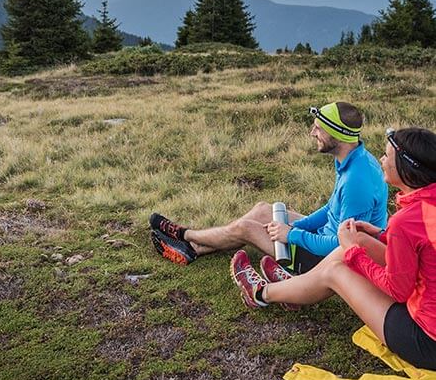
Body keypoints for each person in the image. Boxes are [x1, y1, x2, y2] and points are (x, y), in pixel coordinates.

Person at [230, 126, 436, 371]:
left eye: (386, 155)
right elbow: (425, 248)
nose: (381, 159)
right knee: (358, 240)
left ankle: (261, 294)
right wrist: (379, 234)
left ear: (407, 168)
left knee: (337, 269)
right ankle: (295, 286)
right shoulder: (424, 203)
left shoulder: (406, 220)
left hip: (426, 341)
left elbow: (398, 290)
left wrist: (353, 253)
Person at [150, 101, 388, 274]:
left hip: (327, 260)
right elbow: (331, 208)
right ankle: (193, 249)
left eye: (318, 128)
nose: (312, 132)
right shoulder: (352, 159)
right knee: (264, 209)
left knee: (246, 227)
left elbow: (342, 245)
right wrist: (298, 225)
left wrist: (292, 234)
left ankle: (184, 235)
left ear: (337, 133)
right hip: (325, 236)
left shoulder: (358, 181)